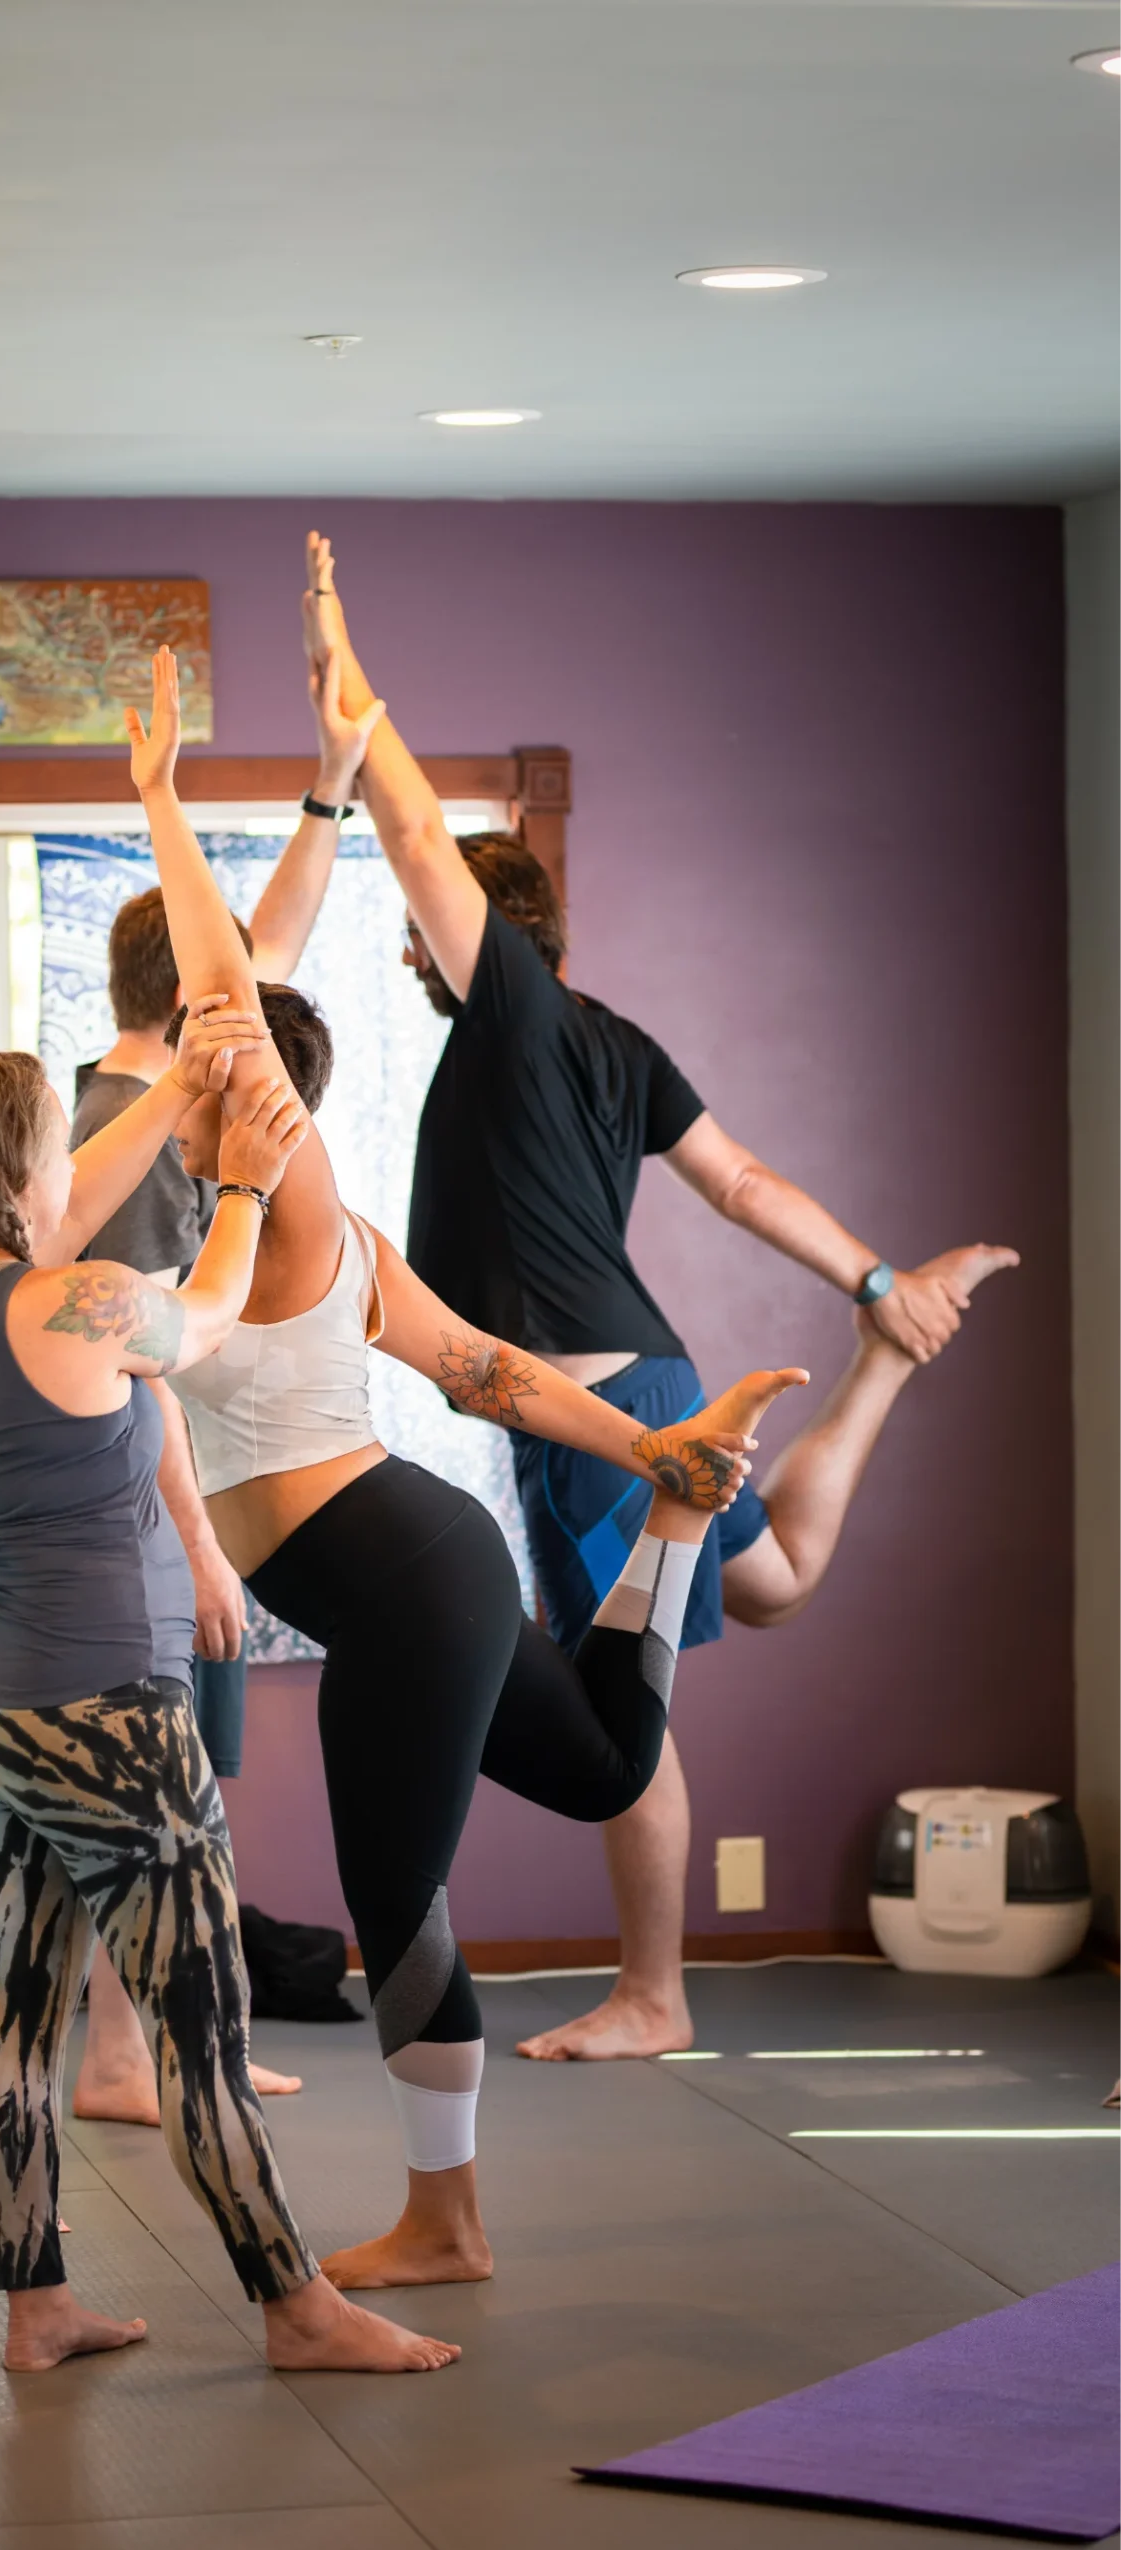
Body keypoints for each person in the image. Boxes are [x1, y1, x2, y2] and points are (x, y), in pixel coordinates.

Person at [125, 643, 807, 2291]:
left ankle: (445, 2220)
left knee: (395, 1898)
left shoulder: (285, 1191)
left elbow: (220, 988)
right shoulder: (335, 1239)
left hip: (402, 1582)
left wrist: (156, 800)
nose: (185, 1088)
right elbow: (487, 1373)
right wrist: (650, 1441)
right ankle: (661, 1526)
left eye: (212, 1075)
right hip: (427, 1560)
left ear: (261, 1093)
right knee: (591, 1764)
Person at [300, 528, 1021, 2063]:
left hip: (588, 1413)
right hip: (653, 1374)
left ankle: (651, 1992)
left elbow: (424, 844)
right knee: (765, 1587)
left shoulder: (505, 1018)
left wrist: (346, 700)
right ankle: (882, 1360)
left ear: (474, 947)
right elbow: (743, 1184)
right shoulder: (613, 1038)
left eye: (443, 934)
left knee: (626, 1703)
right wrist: (879, 1279)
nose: (426, 944)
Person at [0, 999, 458, 2375]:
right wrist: (245, 1185)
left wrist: (185, 1079)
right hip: (104, 1723)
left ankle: (36, 2309)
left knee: (18, 2018)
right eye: (51, 1146)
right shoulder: (77, 1307)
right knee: (204, 2028)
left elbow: (76, 1196)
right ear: (17, 1173)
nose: (70, 1164)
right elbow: (198, 1316)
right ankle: (298, 2309)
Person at [68, 655, 387, 2127]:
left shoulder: (147, 1087)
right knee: (159, 1797)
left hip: (149, 1519)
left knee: (151, 1792)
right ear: (202, 1013)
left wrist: (329, 783)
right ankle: (143, 2057)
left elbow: (276, 929)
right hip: (148, 1516)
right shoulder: (140, 1135)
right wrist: (199, 1549)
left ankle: (139, 2053)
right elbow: (140, 1378)